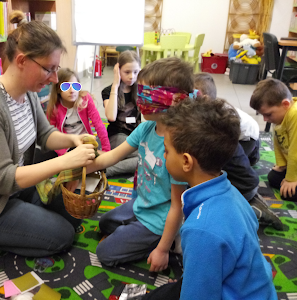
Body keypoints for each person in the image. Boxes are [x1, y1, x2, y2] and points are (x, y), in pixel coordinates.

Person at [0, 11, 98, 258]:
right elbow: (4, 179)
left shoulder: (28, 93)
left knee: (72, 216)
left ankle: (21, 217)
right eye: (48, 69)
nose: (53, 79)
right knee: (63, 236)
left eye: (56, 69)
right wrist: (66, 161)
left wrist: (74, 140)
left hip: (15, 191)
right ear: (21, 61)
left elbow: (45, 134)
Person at [144, 97, 277, 300]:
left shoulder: (200, 228)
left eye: (167, 150)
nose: (164, 155)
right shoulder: (232, 193)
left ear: (186, 162)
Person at [87, 57, 193, 271]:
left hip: (160, 218)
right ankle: (139, 234)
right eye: (140, 92)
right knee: (105, 223)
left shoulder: (176, 147)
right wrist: (79, 165)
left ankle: (167, 240)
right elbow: (113, 156)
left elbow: (177, 205)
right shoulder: (146, 129)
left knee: (104, 253)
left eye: (149, 94)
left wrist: (161, 250)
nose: (140, 100)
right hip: (142, 205)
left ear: (176, 101)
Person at [194, 73, 282, 229]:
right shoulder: (216, 121)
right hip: (248, 182)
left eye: (190, 95)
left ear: (205, 99)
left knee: (208, 210)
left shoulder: (215, 134)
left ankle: (252, 211)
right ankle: (252, 199)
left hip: (248, 141)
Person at [194, 73, 260, 165]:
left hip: (246, 137)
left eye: (192, 95)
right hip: (235, 132)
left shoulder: (217, 113)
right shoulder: (204, 108)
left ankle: (254, 152)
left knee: (229, 164)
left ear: (205, 99)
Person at [251, 78, 297, 202]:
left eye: (268, 114)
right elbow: (278, 141)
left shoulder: (295, 115)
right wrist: (282, 165)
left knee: (289, 193)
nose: (265, 119)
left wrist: (291, 179)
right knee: (274, 178)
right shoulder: (282, 115)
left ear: (286, 104)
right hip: (293, 162)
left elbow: (295, 151)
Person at [46, 68, 110, 156]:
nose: (72, 91)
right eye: (66, 87)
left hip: (86, 142)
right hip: (66, 145)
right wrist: (63, 154)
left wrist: (106, 150)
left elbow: (98, 124)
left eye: (75, 86)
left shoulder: (86, 99)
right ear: (58, 89)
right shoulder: (53, 107)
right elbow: (50, 134)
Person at [101, 50, 141, 177]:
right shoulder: (108, 91)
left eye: (135, 72)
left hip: (135, 135)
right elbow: (111, 117)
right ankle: (106, 170)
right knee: (143, 158)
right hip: (117, 135)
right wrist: (115, 85)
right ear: (118, 71)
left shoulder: (139, 89)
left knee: (152, 155)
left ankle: (113, 160)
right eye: (127, 72)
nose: (131, 77)